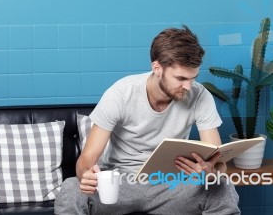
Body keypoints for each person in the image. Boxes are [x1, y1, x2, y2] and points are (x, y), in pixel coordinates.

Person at [54, 25, 240, 214]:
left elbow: (218, 160)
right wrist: (86, 176)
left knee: (223, 188)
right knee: (71, 188)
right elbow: (86, 159)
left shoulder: (200, 96)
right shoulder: (120, 94)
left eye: (193, 78)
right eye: (181, 78)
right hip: (122, 184)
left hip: (171, 184)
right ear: (157, 68)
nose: (188, 86)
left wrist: (210, 173)